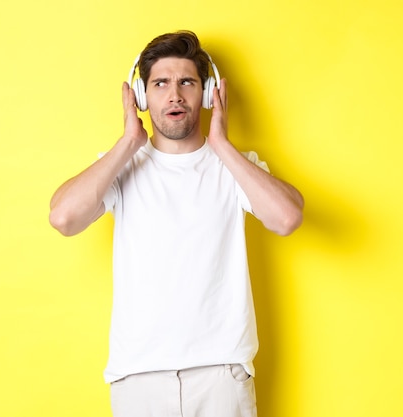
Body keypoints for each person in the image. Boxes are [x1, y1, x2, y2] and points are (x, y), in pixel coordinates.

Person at [49, 30, 304, 417]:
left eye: (187, 81)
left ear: (206, 94)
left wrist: (222, 144)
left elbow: (287, 218)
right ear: (140, 95)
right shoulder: (121, 166)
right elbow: (63, 217)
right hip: (138, 378)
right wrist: (127, 142)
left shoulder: (236, 166)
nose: (174, 95)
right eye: (160, 83)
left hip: (221, 375)